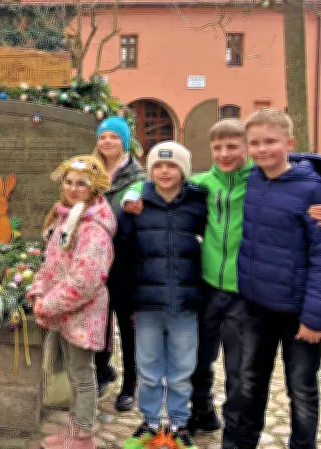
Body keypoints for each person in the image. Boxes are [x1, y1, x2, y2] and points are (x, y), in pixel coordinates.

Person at [121, 118, 321, 443]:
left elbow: (300, 190)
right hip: (206, 287)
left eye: (234, 146)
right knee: (199, 360)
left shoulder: (256, 181)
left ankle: (237, 430)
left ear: (246, 148)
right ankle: (201, 415)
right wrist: (131, 192)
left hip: (245, 293)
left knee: (239, 372)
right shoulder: (202, 185)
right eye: (218, 148)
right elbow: (158, 184)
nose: (225, 154)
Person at [233, 109, 321, 449]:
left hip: (297, 312)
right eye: (254, 143)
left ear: (290, 143)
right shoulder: (252, 178)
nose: (262, 149)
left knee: (302, 389)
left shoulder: (312, 190)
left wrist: (315, 317)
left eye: (270, 141)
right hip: (256, 307)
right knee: (250, 383)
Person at [119, 142, 206, 449]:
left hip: (185, 302)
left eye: (171, 166)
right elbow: (126, 253)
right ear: (150, 170)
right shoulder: (137, 204)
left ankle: (180, 424)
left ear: (183, 170)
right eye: (158, 166)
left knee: (182, 370)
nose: (165, 171)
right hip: (146, 303)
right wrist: (129, 298)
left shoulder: (198, 202)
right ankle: (151, 422)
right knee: (149, 368)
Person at [26, 155, 116, 449]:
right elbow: (50, 262)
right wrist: (40, 291)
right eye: (69, 182)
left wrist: (48, 304)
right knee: (76, 372)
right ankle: (76, 427)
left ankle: (84, 436)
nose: (74, 188)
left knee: (82, 375)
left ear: (93, 188)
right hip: (65, 312)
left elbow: (85, 282)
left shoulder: (93, 229)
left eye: (82, 184)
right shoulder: (67, 217)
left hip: (81, 314)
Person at [92, 116, 144, 409]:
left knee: (127, 324)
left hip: (125, 260)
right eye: (103, 137)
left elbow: (137, 197)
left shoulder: (136, 177)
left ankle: (130, 384)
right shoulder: (93, 172)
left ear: (124, 141)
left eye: (114, 137)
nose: (107, 142)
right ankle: (102, 371)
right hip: (96, 261)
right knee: (100, 321)